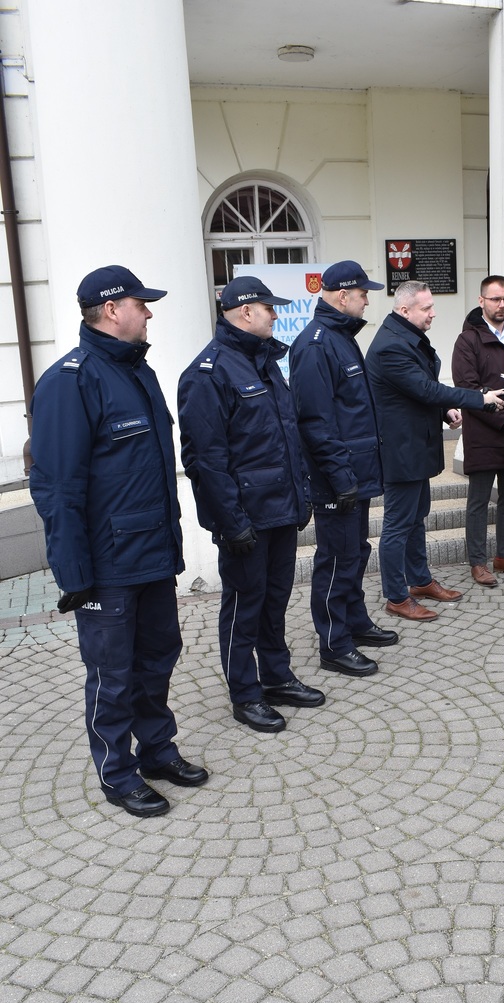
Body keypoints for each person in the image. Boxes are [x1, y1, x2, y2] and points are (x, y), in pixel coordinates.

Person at [29, 265, 208, 818]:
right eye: (140, 304)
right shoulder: (70, 381)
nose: (148, 312)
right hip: (107, 564)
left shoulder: (138, 372)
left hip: (151, 554)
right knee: (113, 673)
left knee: (158, 658)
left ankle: (157, 751)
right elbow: (57, 488)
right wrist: (74, 574)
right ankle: (117, 773)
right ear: (111, 310)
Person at [178, 276, 324, 732]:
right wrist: (231, 522)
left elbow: (284, 439)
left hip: (279, 509)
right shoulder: (209, 373)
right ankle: (245, 693)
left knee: (274, 600)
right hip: (245, 518)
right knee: (245, 606)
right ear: (245, 311)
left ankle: (276, 677)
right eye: (269, 308)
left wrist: (301, 496)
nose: (276, 315)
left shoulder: (263, 363)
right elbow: (205, 461)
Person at [365, 281, 504, 621]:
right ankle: (396, 597)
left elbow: (416, 390)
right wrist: (479, 399)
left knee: (416, 518)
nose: (433, 313)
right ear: (405, 310)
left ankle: (420, 580)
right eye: (426, 308)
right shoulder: (390, 346)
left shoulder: (405, 336)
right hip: (401, 451)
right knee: (398, 525)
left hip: (416, 447)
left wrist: (445, 411)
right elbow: (425, 389)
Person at [290, 260, 396, 678]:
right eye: (363, 293)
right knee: (335, 558)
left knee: (356, 552)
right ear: (342, 295)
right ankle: (334, 644)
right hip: (337, 478)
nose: (367, 300)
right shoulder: (315, 345)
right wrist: (339, 477)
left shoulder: (341, 338)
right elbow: (315, 422)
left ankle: (354, 621)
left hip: (356, 472)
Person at [451, 274, 504, 588]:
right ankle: (478, 562)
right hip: (484, 434)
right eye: (495, 299)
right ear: (481, 301)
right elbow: (467, 389)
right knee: (478, 503)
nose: (501, 305)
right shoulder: (468, 340)